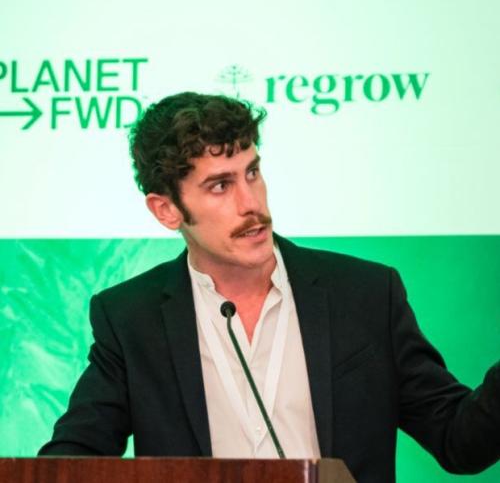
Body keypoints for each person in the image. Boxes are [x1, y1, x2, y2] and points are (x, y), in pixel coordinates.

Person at [39, 92, 500, 482]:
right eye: (220, 186)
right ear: (167, 210)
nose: (251, 203)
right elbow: (72, 458)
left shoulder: (364, 295)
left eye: (252, 173)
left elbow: (458, 440)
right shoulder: (131, 319)